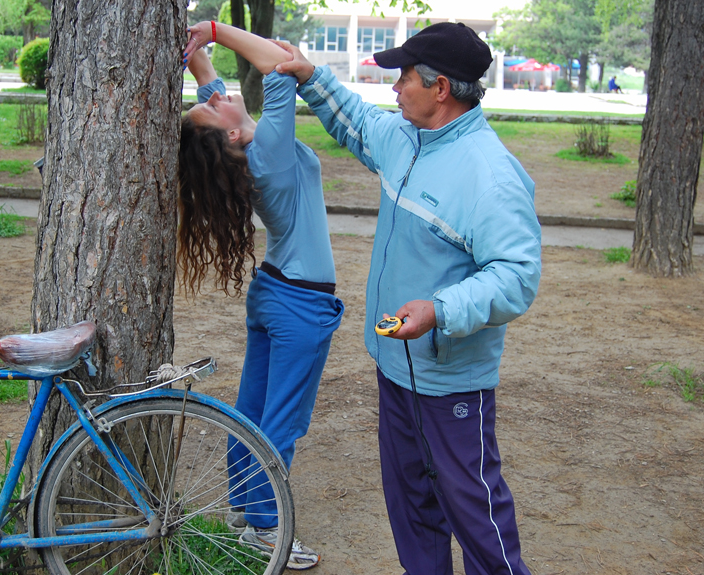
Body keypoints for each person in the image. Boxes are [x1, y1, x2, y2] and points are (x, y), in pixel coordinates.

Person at [274, 22, 541, 575]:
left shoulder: (489, 175)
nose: (394, 88)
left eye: (404, 78)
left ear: (440, 88)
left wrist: (440, 310)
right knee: (410, 507)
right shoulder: (406, 139)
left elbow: (516, 276)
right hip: (395, 367)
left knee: (476, 513)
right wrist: (308, 75)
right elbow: (357, 122)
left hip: (450, 383)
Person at [180, 20, 344, 570]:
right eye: (216, 106)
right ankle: (266, 528)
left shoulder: (244, 143)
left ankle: (244, 511)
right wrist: (214, 30)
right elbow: (279, 61)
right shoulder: (268, 150)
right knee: (284, 419)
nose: (221, 98)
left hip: (275, 292)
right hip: (301, 304)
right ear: (229, 134)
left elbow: (213, 91)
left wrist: (198, 58)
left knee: (251, 410)